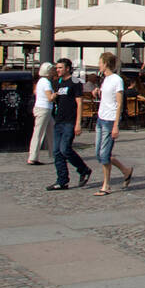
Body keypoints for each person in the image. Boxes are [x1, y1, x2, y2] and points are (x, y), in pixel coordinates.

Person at [47, 59, 92, 191]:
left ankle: (83, 169)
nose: (58, 70)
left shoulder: (75, 82)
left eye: (60, 68)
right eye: (57, 68)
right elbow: (54, 98)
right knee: (56, 152)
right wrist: (53, 96)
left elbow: (79, 103)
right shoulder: (57, 83)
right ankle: (62, 181)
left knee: (65, 149)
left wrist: (78, 123)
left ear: (67, 68)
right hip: (59, 120)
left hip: (69, 121)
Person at [93, 52, 134, 196]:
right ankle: (125, 170)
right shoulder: (105, 80)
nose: (98, 65)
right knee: (99, 154)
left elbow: (119, 103)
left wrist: (116, 124)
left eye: (100, 62)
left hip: (110, 120)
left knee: (104, 155)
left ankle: (106, 185)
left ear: (105, 64)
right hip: (101, 118)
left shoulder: (117, 79)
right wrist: (98, 92)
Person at [27, 64, 55, 165]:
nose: (54, 71)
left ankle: (55, 154)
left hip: (42, 108)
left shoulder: (40, 82)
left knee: (52, 130)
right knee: (39, 133)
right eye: (52, 70)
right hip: (44, 109)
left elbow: (35, 92)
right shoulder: (46, 82)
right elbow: (50, 98)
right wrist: (57, 94)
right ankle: (33, 156)